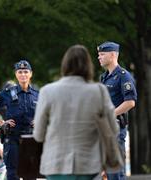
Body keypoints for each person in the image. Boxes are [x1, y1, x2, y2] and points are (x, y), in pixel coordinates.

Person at [33, 44, 120, 180]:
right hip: (88, 165)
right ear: (88, 65)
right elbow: (113, 129)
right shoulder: (99, 91)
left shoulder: (47, 91)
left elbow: (38, 135)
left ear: (65, 65)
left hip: (55, 164)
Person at [0, 60, 39, 180]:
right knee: (13, 175)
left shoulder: (37, 94)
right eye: (20, 72)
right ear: (16, 74)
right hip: (12, 139)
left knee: (31, 175)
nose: (23, 74)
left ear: (31, 74)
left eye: (25, 71)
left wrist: (40, 120)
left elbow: (48, 111)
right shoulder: (7, 93)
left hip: (31, 140)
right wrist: (2, 122)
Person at [98, 41, 137, 180]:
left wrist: (109, 114)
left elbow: (130, 102)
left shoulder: (123, 76)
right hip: (104, 129)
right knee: (107, 173)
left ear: (113, 55)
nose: (99, 57)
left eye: (102, 54)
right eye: (99, 54)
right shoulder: (104, 77)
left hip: (116, 129)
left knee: (116, 174)